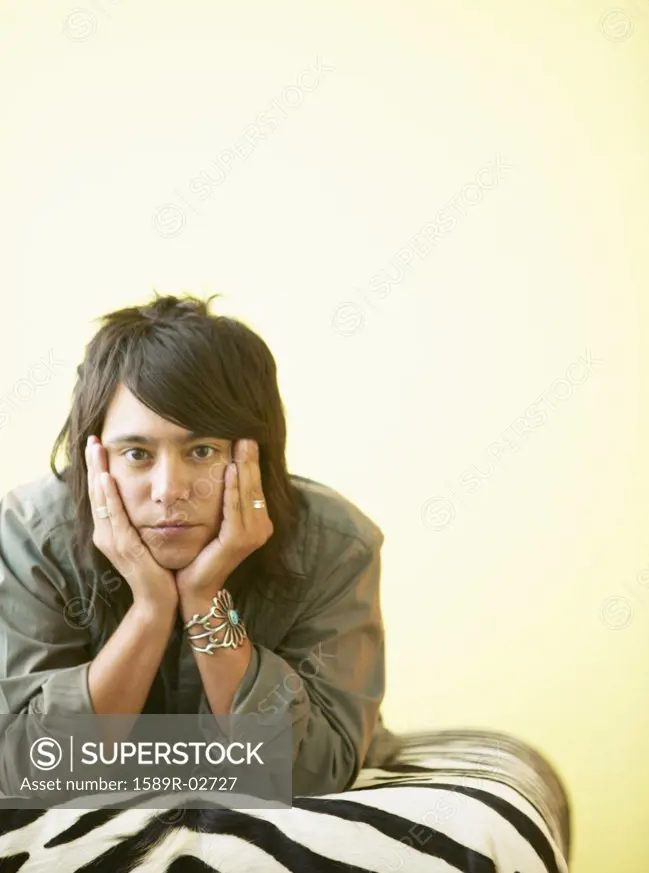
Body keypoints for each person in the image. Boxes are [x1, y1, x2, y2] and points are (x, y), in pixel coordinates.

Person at [0, 294, 403, 797]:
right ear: (96, 459)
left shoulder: (336, 544)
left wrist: (204, 598)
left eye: (202, 450)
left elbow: (313, 772)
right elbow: (26, 770)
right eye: (137, 453)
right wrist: (150, 609)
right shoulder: (32, 537)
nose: (169, 489)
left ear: (257, 455)